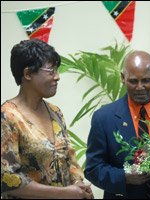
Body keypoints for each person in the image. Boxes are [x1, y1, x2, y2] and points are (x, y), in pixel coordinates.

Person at [84, 50, 150, 199]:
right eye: (133, 81)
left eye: (146, 80)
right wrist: (124, 177)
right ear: (123, 78)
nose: (140, 87)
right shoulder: (103, 118)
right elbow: (92, 169)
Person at [1, 39, 94, 199]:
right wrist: (64, 193)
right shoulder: (7, 116)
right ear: (28, 74)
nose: (57, 77)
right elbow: (7, 179)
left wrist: (79, 185)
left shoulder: (55, 112)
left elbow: (70, 158)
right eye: (51, 71)